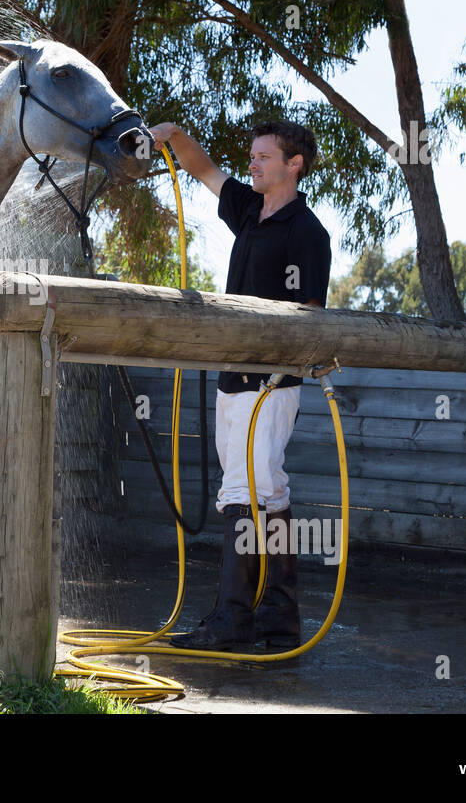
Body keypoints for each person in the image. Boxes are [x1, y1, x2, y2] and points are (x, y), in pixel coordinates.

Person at [148, 119, 332, 652]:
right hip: (233, 380)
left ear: (293, 165)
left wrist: (280, 371)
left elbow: (311, 316)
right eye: (251, 156)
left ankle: (233, 618)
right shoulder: (250, 212)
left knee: (245, 491)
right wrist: (172, 134)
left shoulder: (307, 232)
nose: (251, 164)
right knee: (266, 490)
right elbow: (203, 168)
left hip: (272, 385)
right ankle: (276, 615)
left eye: (263, 157)